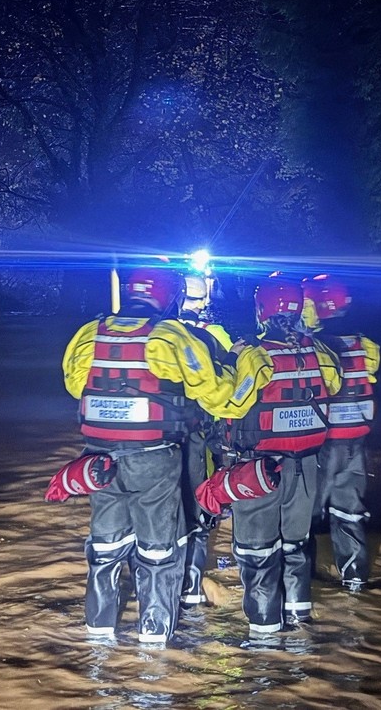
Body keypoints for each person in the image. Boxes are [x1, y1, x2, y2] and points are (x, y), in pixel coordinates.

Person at [61, 260, 270, 645]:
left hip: (98, 461)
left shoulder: (90, 333)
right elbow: (226, 400)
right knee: (159, 553)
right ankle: (154, 654)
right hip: (155, 458)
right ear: (170, 296)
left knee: (105, 549)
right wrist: (252, 362)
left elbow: (77, 386)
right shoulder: (171, 337)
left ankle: (97, 644)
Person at [219, 275, 342, 639]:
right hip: (305, 466)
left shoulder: (256, 357)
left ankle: (265, 638)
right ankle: (300, 625)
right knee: (296, 545)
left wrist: (232, 358)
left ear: (262, 311)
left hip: (261, 470)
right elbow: (332, 385)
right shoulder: (321, 353)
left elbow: (233, 402)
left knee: (257, 552)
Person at [301, 274, 381, 592]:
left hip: (321, 445)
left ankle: (302, 589)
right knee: (349, 514)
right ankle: (355, 583)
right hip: (356, 444)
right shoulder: (366, 345)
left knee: (302, 517)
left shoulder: (312, 347)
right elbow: (370, 372)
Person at [177, 272, 236, 607]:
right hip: (201, 434)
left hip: (161, 437)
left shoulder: (161, 335)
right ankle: (193, 587)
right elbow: (231, 379)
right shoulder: (213, 334)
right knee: (201, 509)